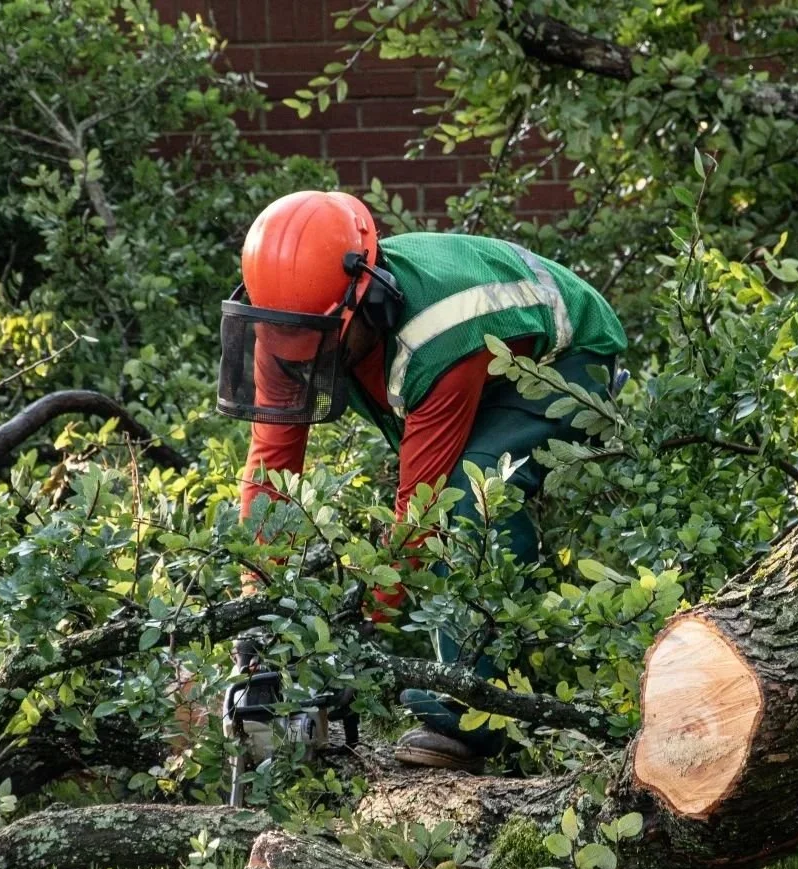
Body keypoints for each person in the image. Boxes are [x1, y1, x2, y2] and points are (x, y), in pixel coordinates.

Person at [219, 190, 626, 772]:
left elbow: (420, 510)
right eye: (292, 344)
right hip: (468, 367)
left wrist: (352, 635)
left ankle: (483, 714)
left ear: (370, 299)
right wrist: (260, 611)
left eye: (319, 345)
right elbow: (271, 470)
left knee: (472, 493)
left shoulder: (438, 333)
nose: (303, 361)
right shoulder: (288, 324)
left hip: (563, 358)